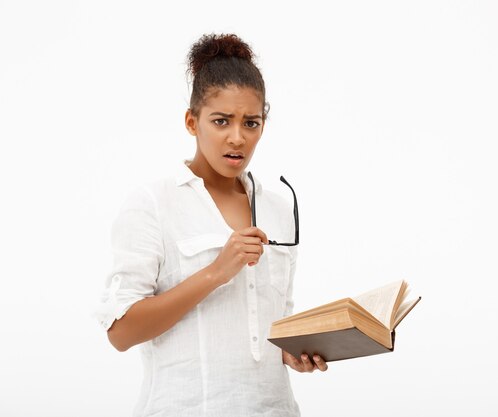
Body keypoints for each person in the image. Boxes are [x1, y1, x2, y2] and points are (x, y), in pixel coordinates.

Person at [94, 33, 327, 417]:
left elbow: (267, 326)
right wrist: (216, 272)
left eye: (251, 123)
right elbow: (120, 333)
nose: (237, 138)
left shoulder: (278, 209)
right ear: (192, 121)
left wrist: (292, 352)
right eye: (221, 121)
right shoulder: (153, 204)